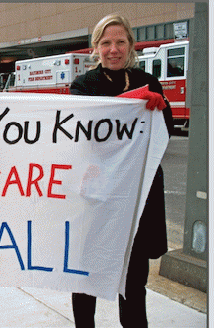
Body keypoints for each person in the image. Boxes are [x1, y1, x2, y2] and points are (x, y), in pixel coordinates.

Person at [70, 14, 173, 328]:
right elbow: (83, 136)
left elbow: (162, 135)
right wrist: (133, 100)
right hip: (97, 197)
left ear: (130, 45)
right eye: (106, 43)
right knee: (86, 276)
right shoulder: (83, 85)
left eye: (120, 42)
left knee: (133, 282)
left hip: (137, 196)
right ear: (95, 47)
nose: (113, 49)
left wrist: (162, 108)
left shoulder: (149, 81)